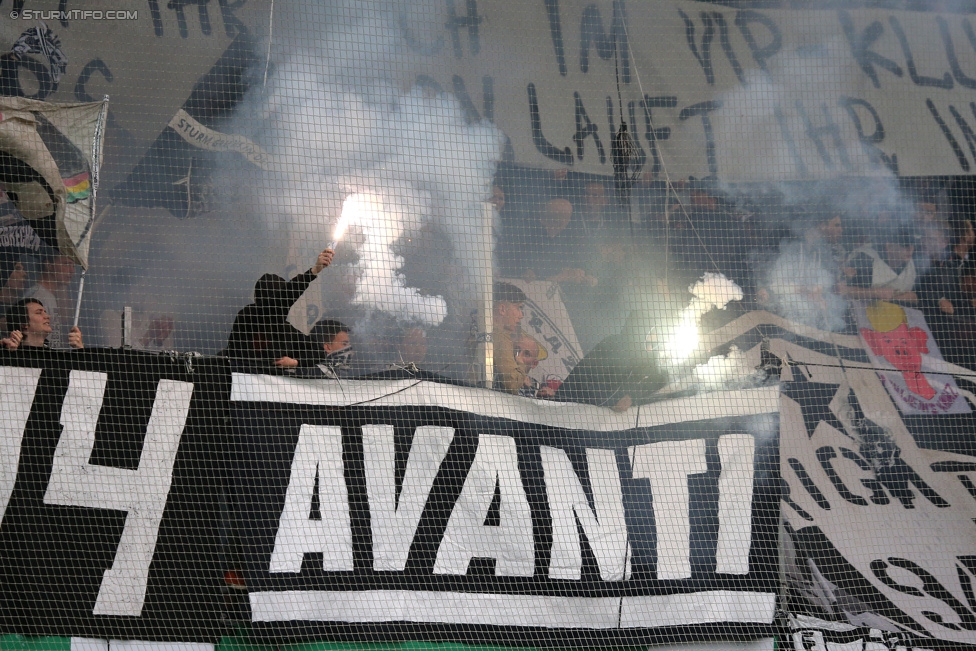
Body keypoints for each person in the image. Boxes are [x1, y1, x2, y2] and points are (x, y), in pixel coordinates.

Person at [225, 248, 334, 367]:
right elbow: (277, 302)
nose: (286, 303)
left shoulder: (284, 330)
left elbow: (318, 352)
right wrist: (312, 272)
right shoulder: (248, 315)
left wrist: (295, 362)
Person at [555, 310, 668, 411]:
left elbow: (660, 378)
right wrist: (559, 397)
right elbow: (581, 371)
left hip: (597, 414)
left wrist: (632, 395)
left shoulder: (643, 358)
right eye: (650, 334)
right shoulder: (615, 344)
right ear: (640, 331)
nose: (652, 341)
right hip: (579, 405)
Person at [840, 228, 919, 305]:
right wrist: (874, 293)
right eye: (905, 245)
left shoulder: (913, 264)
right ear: (889, 246)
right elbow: (843, 289)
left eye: (913, 244)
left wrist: (896, 298)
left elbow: (914, 297)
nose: (910, 249)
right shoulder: (866, 258)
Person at [23, 253, 77, 349]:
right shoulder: (38, 297)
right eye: (66, 264)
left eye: (73, 266)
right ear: (48, 265)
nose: (72, 270)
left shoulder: (50, 295)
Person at [1, 297, 82, 349]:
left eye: (45, 312)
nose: (47, 316)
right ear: (23, 323)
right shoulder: (10, 350)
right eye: (39, 313)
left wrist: (80, 349)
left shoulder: (54, 357)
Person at [492, 281, 529, 394]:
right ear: (502, 309)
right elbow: (511, 385)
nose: (521, 315)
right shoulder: (500, 337)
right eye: (518, 307)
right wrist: (521, 364)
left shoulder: (477, 326)